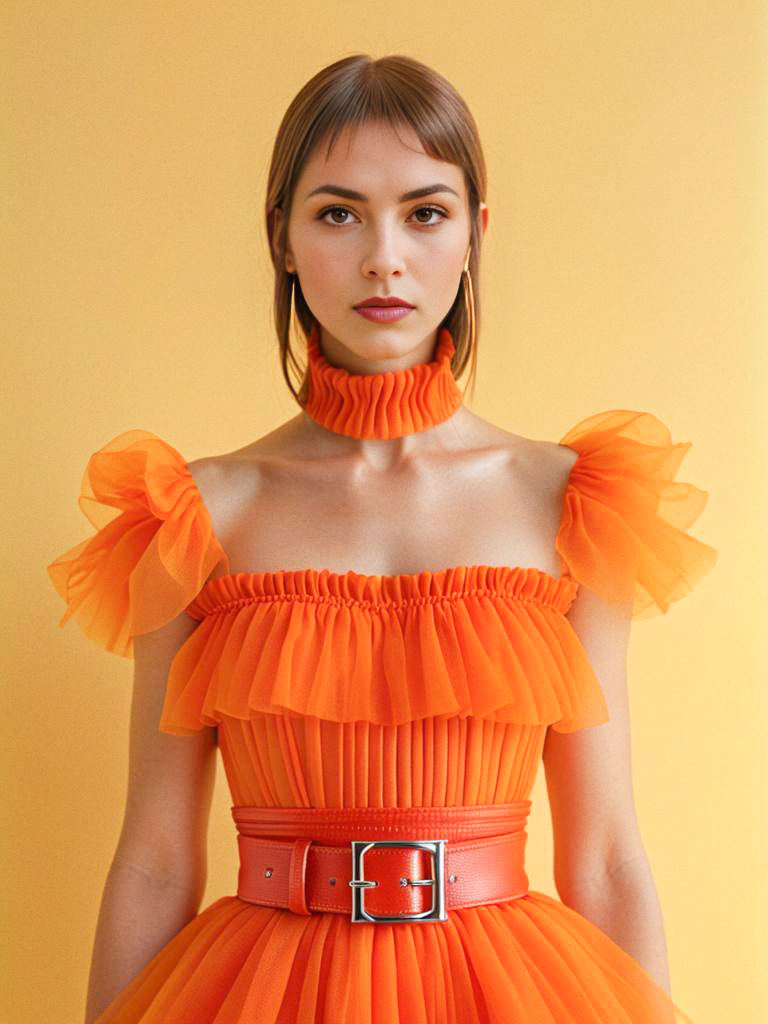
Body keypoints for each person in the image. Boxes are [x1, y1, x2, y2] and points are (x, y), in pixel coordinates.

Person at [47, 54, 717, 1024]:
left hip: (509, 992)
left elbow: (607, 855)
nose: (385, 258)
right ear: (279, 236)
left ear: (477, 234)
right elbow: (154, 863)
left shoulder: (572, 500)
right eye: (337, 212)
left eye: (426, 211)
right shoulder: (193, 512)